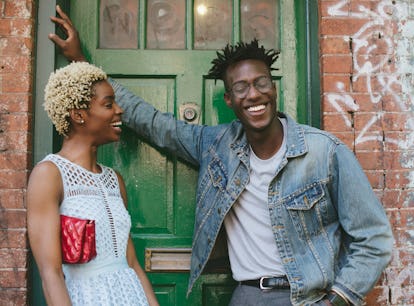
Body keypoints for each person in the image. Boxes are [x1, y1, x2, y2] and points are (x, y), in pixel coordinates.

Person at [48, 6, 394, 306]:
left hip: (308, 297)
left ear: (274, 88)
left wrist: (337, 299)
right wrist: (83, 65)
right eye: (240, 88)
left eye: (261, 83)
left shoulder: (325, 152)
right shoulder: (216, 147)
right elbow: (153, 123)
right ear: (229, 100)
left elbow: (374, 238)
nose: (253, 94)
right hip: (247, 296)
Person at [27, 61, 159, 306]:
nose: (119, 110)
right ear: (78, 115)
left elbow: (131, 261)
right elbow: (50, 274)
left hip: (131, 296)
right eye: (108, 104)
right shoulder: (50, 175)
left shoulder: (114, 180)